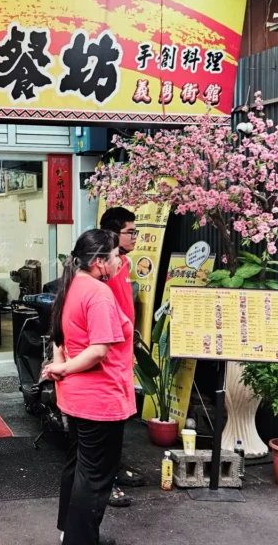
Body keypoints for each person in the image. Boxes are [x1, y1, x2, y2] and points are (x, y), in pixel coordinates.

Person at [44, 229, 133, 545]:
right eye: (114, 256)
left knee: (79, 466)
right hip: (99, 399)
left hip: (76, 397)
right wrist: (62, 367)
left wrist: (60, 367)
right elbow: (99, 350)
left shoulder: (71, 285)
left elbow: (59, 336)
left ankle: (69, 533)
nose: (118, 260)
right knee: (95, 478)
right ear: (98, 261)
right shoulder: (97, 293)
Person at [98, 207, 148, 507]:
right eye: (131, 231)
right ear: (114, 234)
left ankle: (114, 470)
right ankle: (104, 484)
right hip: (107, 357)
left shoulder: (124, 263)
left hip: (123, 355)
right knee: (104, 425)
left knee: (118, 421)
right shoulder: (102, 269)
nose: (135, 237)